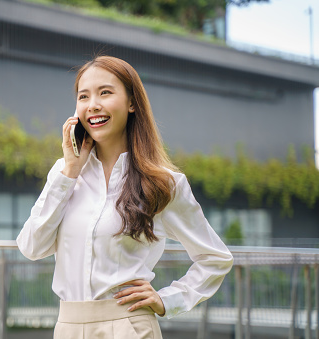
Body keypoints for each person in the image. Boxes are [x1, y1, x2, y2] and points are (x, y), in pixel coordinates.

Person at [16, 56, 233, 338]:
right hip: (68, 326)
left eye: (105, 92)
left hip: (129, 326)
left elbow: (214, 258)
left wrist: (167, 300)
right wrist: (70, 171)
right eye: (84, 96)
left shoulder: (162, 183)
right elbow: (32, 247)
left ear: (132, 103)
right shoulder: (65, 174)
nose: (93, 104)